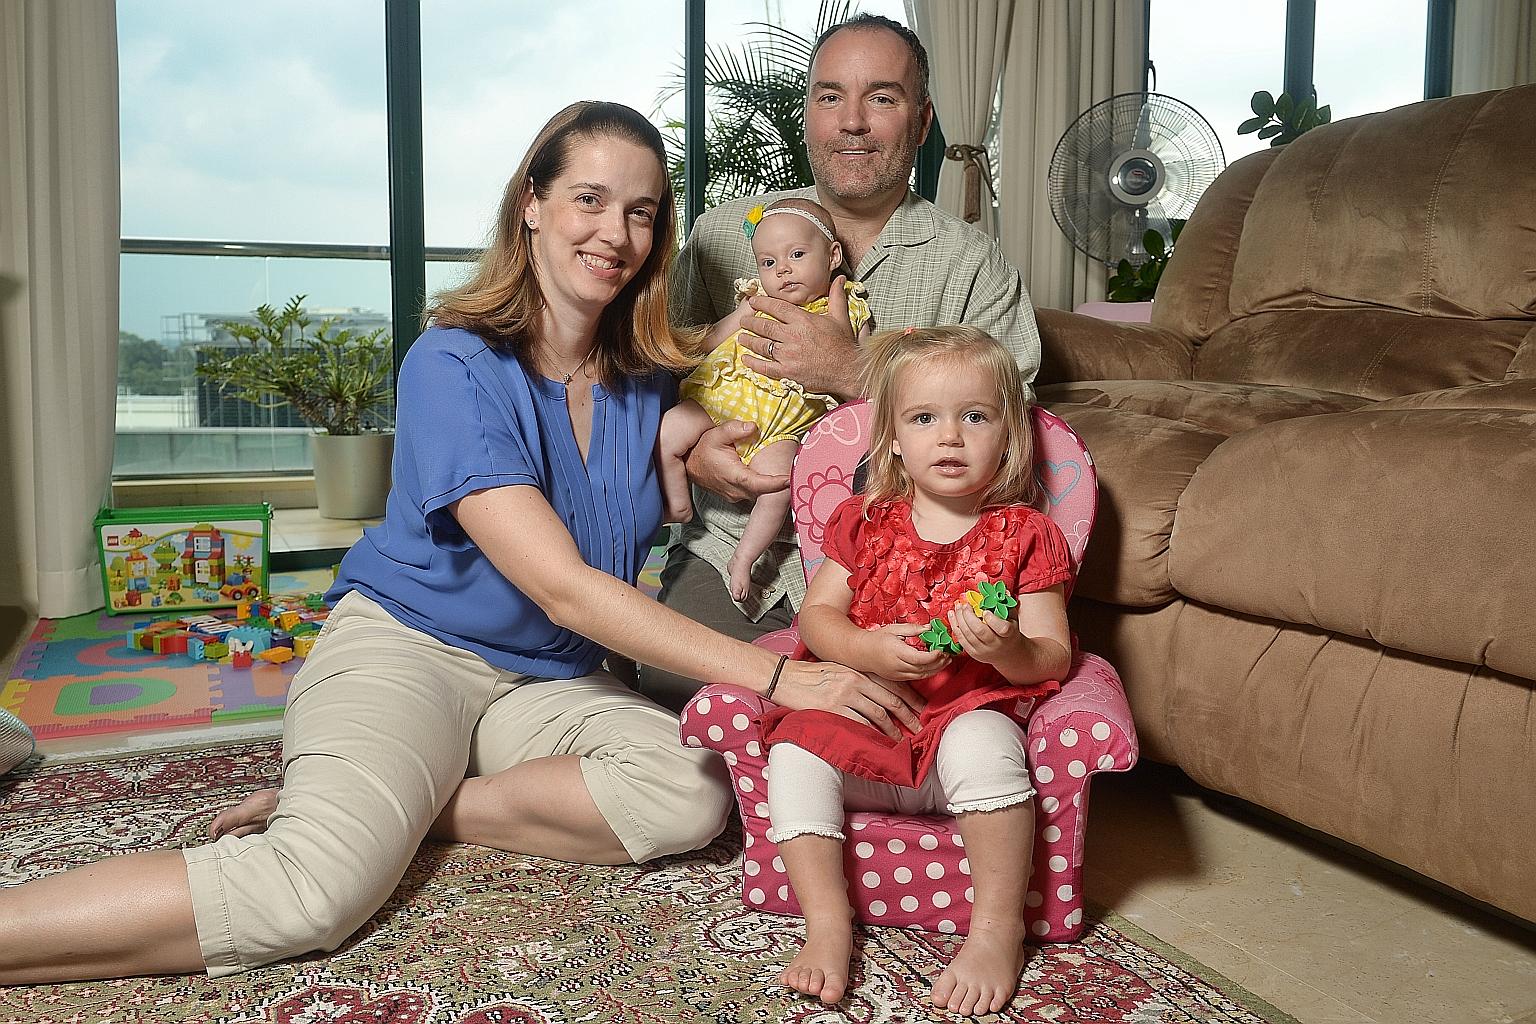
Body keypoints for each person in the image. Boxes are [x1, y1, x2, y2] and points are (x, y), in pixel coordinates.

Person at [0, 101, 930, 987]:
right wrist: (776, 675)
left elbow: (728, 429)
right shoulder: (452, 363)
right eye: (590, 200)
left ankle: (415, 809)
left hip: (545, 683)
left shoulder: (648, 378)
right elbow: (564, 586)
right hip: (410, 649)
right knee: (309, 895)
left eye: (642, 212)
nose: (617, 233)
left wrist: (713, 446)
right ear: (532, 205)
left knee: (688, 788)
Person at [641, 14, 1042, 711]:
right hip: (736, 553)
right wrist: (697, 450)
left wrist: (857, 372)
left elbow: (1016, 432)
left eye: (881, 98)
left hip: (907, 576)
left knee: (919, 718)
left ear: (922, 122)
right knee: (689, 702)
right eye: (830, 97)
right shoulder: (719, 238)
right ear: (807, 115)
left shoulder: (972, 265)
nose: (851, 121)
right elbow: (651, 376)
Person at [763, 326, 1073, 1014]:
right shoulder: (867, 520)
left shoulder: (1026, 534)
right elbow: (817, 619)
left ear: (1010, 434)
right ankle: (828, 922)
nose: (951, 437)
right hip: (868, 725)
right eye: (925, 418)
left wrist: (1005, 650)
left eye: (976, 416)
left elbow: (1054, 652)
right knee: (792, 750)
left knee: (986, 742)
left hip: (958, 733)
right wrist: (869, 650)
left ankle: (996, 930)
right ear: (895, 439)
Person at [658, 196, 871, 601]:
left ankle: (745, 556)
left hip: (786, 426)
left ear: (833, 256)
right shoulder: (756, 301)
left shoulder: (848, 307)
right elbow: (706, 342)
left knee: (778, 483)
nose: (783, 270)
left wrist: (849, 357)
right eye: (769, 263)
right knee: (669, 429)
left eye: (796, 255)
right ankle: (677, 506)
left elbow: (865, 382)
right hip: (724, 400)